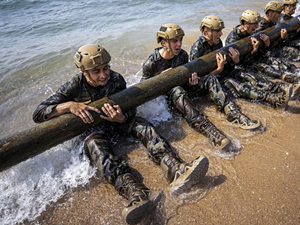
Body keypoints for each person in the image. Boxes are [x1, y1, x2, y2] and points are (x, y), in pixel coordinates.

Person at [32, 44, 209, 224]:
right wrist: (68, 105)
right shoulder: (73, 86)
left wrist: (122, 117)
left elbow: (130, 108)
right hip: (94, 132)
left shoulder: (116, 79)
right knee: (96, 147)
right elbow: (39, 113)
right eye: (96, 71)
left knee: (143, 126)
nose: (103, 75)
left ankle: (175, 168)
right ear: (83, 70)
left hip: (116, 123)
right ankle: (136, 193)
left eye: (105, 69)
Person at [141, 23, 232, 151]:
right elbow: (143, 92)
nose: (179, 44)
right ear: (163, 43)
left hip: (182, 94)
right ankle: (209, 130)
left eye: (180, 40)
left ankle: (231, 112)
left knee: (209, 78)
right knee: (176, 90)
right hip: (166, 99)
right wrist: (159, 79)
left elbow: (185, 79)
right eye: (174, 41)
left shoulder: (182, 55)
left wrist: (192, 81)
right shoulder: (151, 63)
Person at [189, 15, 261, 128]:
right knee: (213, 78)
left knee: (233, 82)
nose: (221, 34)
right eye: (217, 31)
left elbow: (225, 68)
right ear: (206, 31)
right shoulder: (197, 48)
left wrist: (234, 62)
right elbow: (197, 79)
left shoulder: (217, 43)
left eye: (221, 31)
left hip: (215, 80)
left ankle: (267, 97)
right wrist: (218, 70)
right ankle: (232, 114)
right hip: (200, 86)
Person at [224, 10, 295, 107]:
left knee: (266, 65)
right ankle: (274, 96)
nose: (257, 26)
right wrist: (249, 54)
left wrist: (264, 46)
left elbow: (257, 55)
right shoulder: (233, 39)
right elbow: (233, 65)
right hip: (236, 68)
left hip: (249, 62)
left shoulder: (249, 32)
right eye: (254, 24)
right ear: (245, 23)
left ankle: (283, 85)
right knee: (251, 78)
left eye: (257, 23)